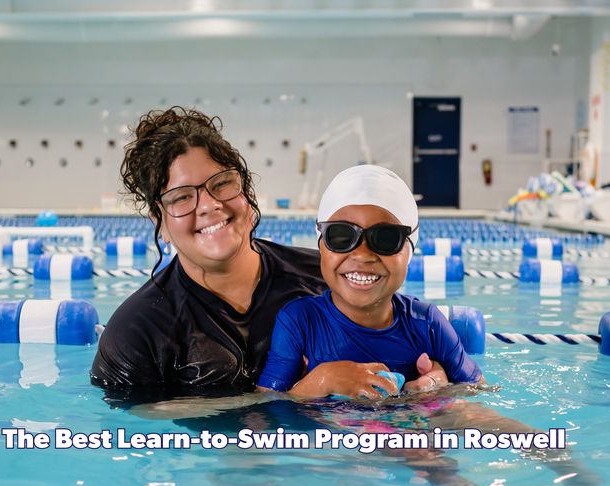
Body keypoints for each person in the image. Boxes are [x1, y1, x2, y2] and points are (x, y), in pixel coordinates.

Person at [90, 107, 452, 393]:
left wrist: (431, 382)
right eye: (182, 197)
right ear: (160, 222)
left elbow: (405, 340)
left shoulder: (328, 278)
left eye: (222, 184)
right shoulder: (136, 332)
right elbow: (139, 432)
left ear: (247, 193)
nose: (209, 205)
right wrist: (312, 387)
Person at [257, 165, 485, 398]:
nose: (363, 254)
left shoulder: (427, 324)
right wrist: (322, 380)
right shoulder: (300, 322)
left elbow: (483, 397)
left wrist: (439, 397)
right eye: (341, 236)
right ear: (321, 244)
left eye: (386, 238)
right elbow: (266, 411)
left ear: (410, 251)